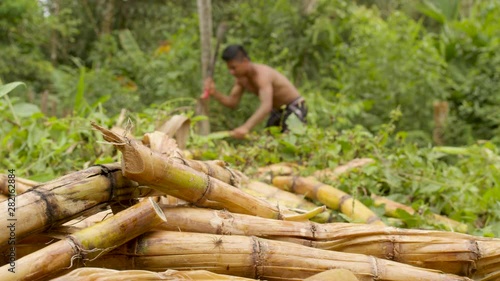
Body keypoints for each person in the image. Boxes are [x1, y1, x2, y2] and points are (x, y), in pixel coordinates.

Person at [203, 45, 307, 139]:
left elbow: (266, 106)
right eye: (229, 69)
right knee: (269, 142)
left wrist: (245, 127)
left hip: (294, 106)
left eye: (234, 68)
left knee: (292, 141)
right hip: (277, 111)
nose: (232, 72)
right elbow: (232, 103)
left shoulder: (262, 75)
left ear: (245, 62)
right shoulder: (241, 80)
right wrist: (214, 93)